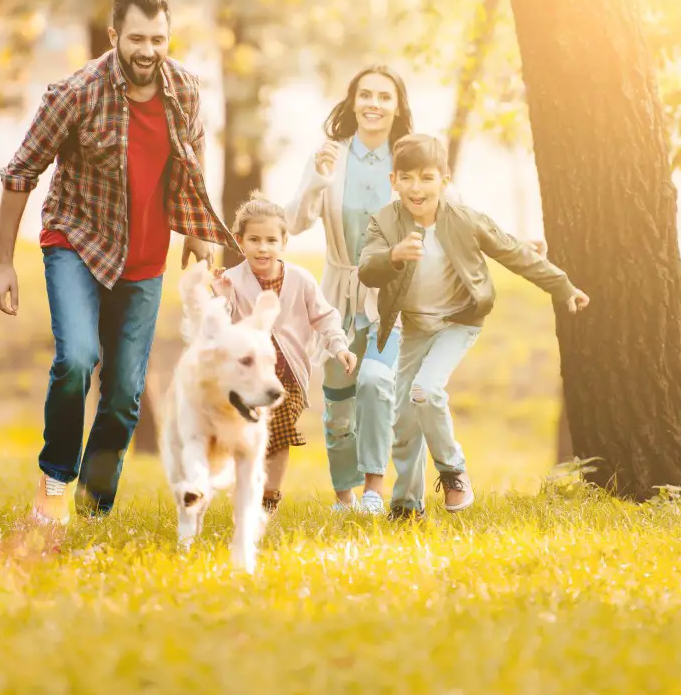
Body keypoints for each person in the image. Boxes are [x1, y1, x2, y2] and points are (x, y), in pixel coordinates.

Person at [0, 0, 234, 524]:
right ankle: (55, 480)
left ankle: (95, 505)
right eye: (137, 39)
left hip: (144, 258)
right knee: (77, 359)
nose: (147, 50)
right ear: (114, 36)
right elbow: (19, 173)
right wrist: (2, 262)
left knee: (125, 394)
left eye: (158, 38)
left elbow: (190, 160)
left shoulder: (186, 90)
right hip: (78, 242)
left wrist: (197, 228)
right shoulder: (75, 93)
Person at [358, 134, 589, 518]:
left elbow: (514, 252)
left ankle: (452, 471)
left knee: (425, 391)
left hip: (459, 321)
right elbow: (367, 267)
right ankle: (406, 504)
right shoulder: (383, 222)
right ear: (393, 180)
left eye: (427, 177)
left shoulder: (465, 219)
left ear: (444, 180)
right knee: (403, 420)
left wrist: (562, 285)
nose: (417, 188)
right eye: (408, 178)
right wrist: (393, 255)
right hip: (415, 326)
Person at [284, 65, 412, 514]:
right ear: (353, 101)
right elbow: (293, 223)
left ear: (398, 107)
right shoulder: (330, 156)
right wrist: (317, 180)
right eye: (366, 95)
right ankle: (345, 496)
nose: (374, 104)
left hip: (391, 297)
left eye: (384, 96)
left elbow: (445, 217)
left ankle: (375, 492)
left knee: (377, 382)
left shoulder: (408, 160)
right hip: (337, 293)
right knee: (338, 402)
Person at [211, 193, 358, 516]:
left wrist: (340, 347)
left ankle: (269, 498)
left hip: (288, 376)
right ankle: (250, 491)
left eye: (270, 240)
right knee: (248, 435)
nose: (262, 248)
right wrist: (221, 297)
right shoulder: (232, 280)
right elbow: (221, 326)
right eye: (254, 240)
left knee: (277, 432)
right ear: (239, 241)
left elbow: (324, 316)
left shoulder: (300, 280)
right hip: (248, 377)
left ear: (283, 242)